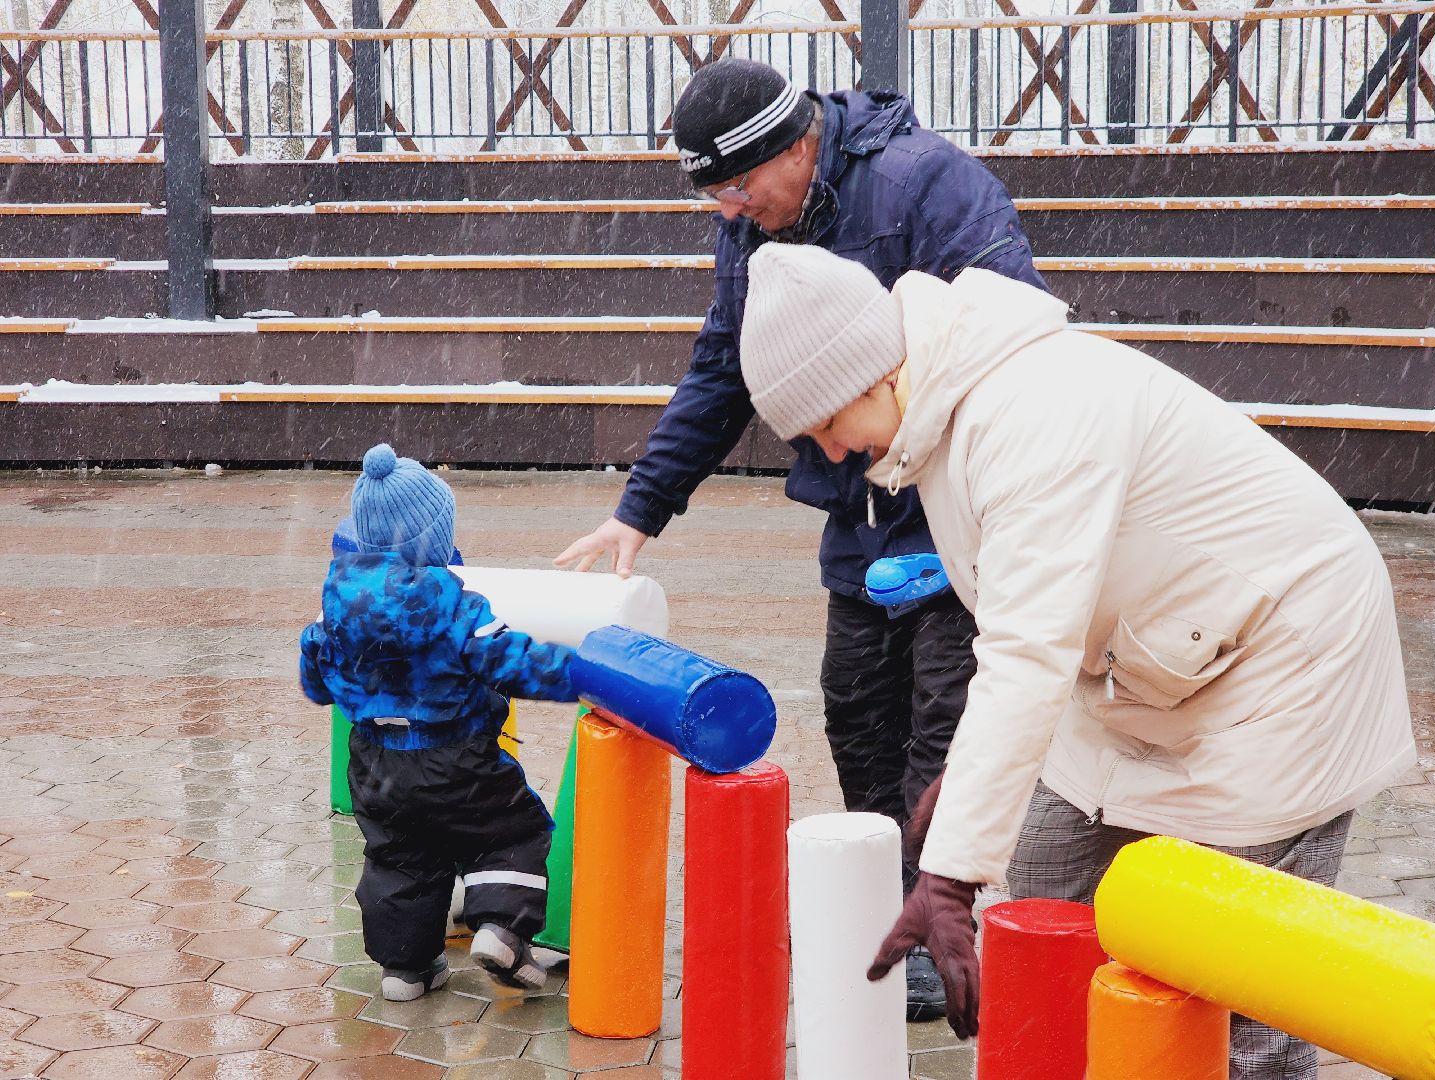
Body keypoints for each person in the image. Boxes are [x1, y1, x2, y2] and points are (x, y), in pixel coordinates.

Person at [736, 242, 1416, 1079]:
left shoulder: (1032, 412)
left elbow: (1028, 653)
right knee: (1042, 911)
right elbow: (1019, 626)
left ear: (872, 376)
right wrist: (986, 771)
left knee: (1245, 985)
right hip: (1150, 667)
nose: (832, 455)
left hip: (1286, 665)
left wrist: (946, 878)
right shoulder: (936, 423)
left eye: (826, 429)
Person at [554, 55, 1046, 1020]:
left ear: (797, 144)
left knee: (941, 729)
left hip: (952, 512)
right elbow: (722, 368)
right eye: (712, 199)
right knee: (857, 715)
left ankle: (940, 916)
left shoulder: (925, 185)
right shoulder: (752, 226)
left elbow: (1013, 331)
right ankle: (879, 903)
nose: (729, 211)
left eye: (738, 186)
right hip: (857, 516)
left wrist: (960, 486)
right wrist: (639, 508)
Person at [299, 444, 578, 1001]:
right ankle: (501, 929)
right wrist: (580, 674)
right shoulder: (454, 605)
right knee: (510, 832)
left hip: (375, 765)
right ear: (430, 539)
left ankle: (406, 969)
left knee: (399, 857)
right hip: (457, 758)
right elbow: (510, 663)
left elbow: (315, 683)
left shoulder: (334, 607)